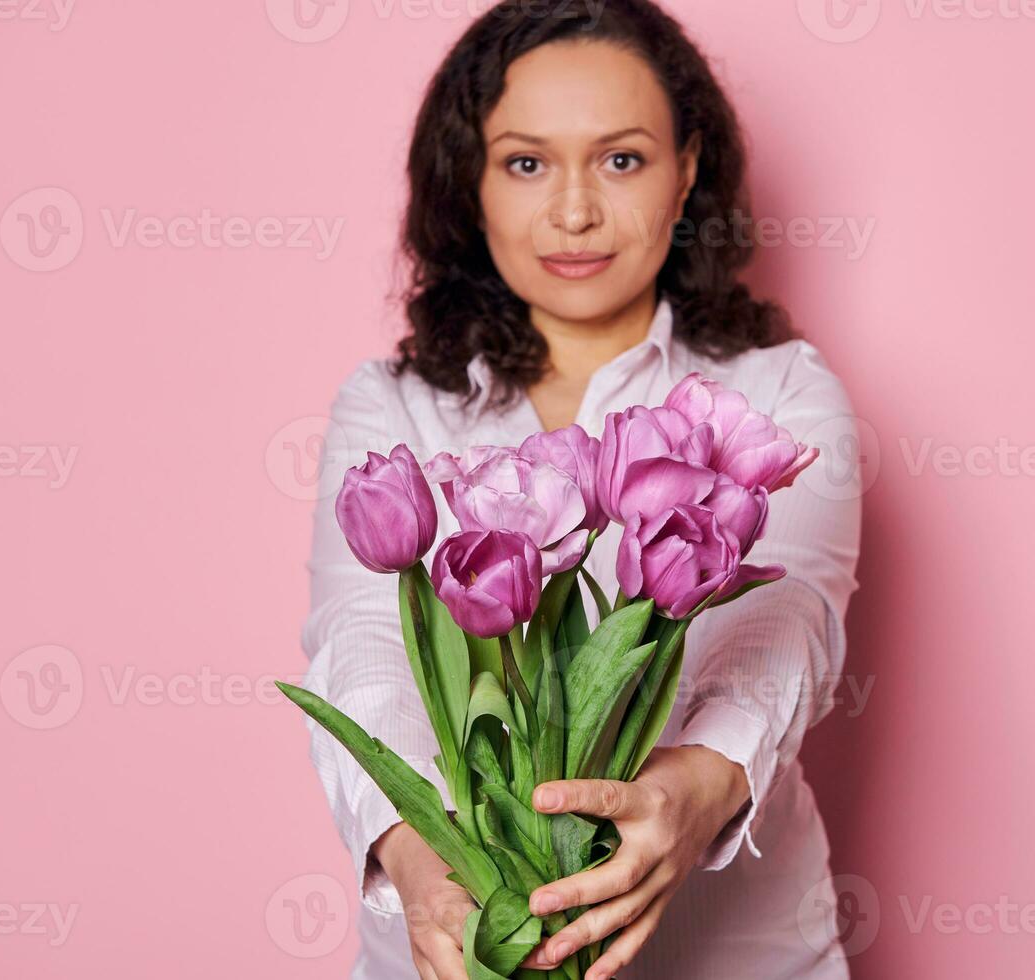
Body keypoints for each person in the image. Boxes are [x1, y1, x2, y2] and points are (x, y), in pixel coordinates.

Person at [296, 2, 864, 976]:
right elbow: (360, 643)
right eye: (525, 162)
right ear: (468, 182)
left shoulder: (776, 394)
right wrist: (421, 856)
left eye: (622, 159)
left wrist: (695, 788)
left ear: (689, 170)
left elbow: (794, 622)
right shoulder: (396, 404)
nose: (573, 211)